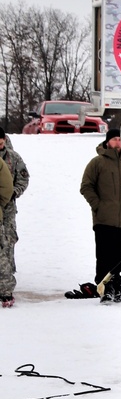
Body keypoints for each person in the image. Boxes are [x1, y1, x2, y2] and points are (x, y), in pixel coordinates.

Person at [80, 123, 121, 301]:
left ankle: (116, 287)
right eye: (114, 139)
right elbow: (86, 186)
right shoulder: (97, 162)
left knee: (120, 258)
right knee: (104, 257)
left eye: (120, 139)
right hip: (104, 219)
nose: (118, 142)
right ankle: (104, 287)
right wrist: (98, 206)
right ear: (107, 142)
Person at [0, 127, 30, 308]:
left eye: (2, 140)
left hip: (8, 206)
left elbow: (24, 178)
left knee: (8, 240)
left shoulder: (13, 157)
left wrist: (14, 193)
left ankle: (6, 279)